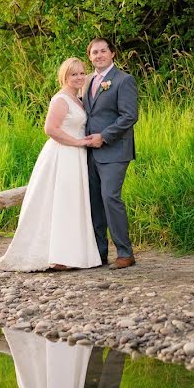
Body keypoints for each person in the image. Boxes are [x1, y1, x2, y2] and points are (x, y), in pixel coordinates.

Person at [0, 58, 103, 272]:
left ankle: (70, 254)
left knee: (71, 204)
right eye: (73, 74)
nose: (78, 77)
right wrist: (78, 142)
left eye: (81, 73)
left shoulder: (78, 99)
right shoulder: (60, 100)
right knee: (60, 202)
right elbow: (50, 129)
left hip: (76, 156)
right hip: (62, 155)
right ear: (64, 77)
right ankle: (57, 256)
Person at [84, 37, 139, 270]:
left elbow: (129, 116)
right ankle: (99, 253)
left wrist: (104, 136)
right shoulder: (86, 81)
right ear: (90, 57)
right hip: (89, 152)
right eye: (94, 52)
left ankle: (125, 253)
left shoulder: (123, 80)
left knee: (110, 198)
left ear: (112, 53)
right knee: (94, 202)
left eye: (103, 51)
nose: (99, 55)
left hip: (115, 150)